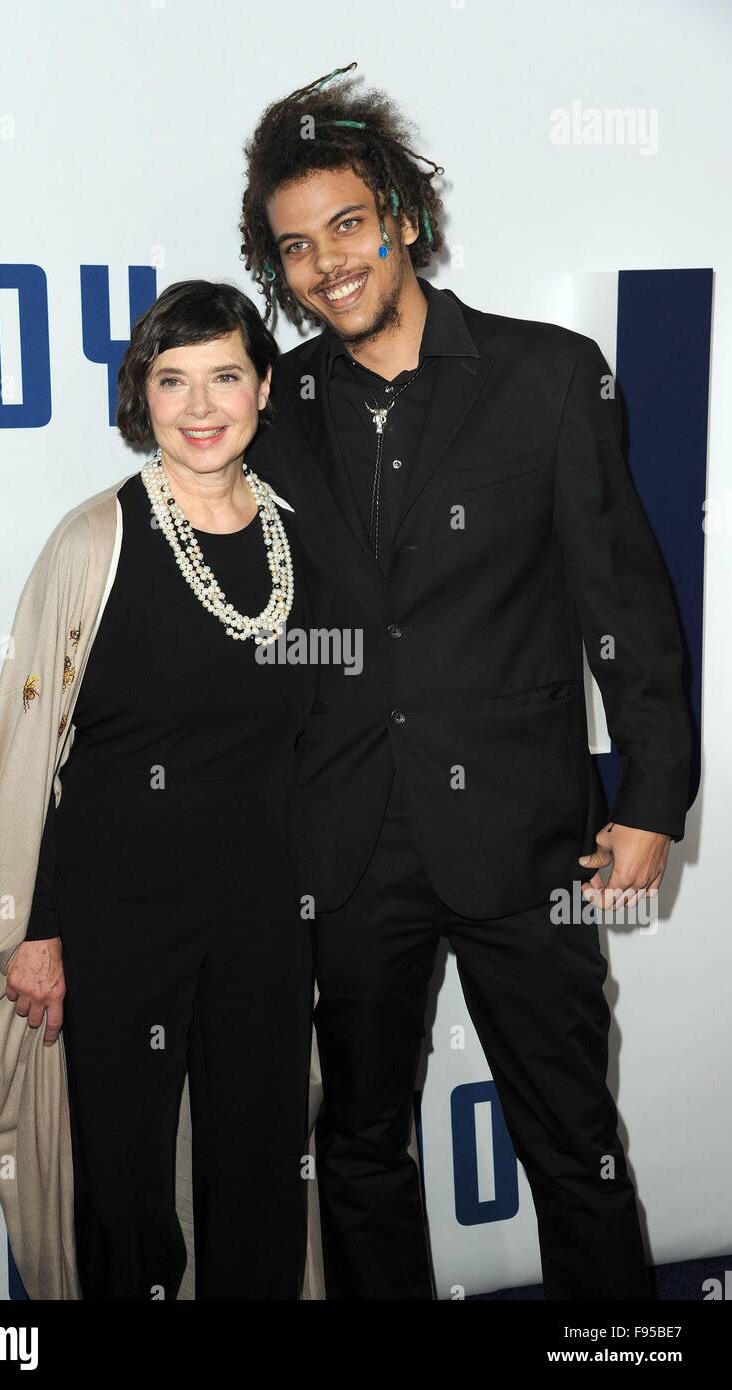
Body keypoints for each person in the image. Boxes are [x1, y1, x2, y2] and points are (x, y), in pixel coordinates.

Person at [239, 64, 695, 1300]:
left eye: (345, 225)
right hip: (343, 844)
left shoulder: (546, 376)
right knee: (359, 1152)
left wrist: (650, 804)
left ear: (400, 217)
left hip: (523, 835)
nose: (326, 263)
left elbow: (625, 608)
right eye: (293, 246)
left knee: (574, 1147)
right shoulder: (274, 409)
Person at [0, 280, 318, 1300]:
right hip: (116, 920)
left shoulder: (303, 541)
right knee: (123, 1191)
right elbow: (36, 755)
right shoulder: (94, 542)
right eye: (172, 380)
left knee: (258, 1170)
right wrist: (36, 925)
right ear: (140, 397)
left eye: (226, 376)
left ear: (264, 388)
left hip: (265, 916)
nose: (201, 407)